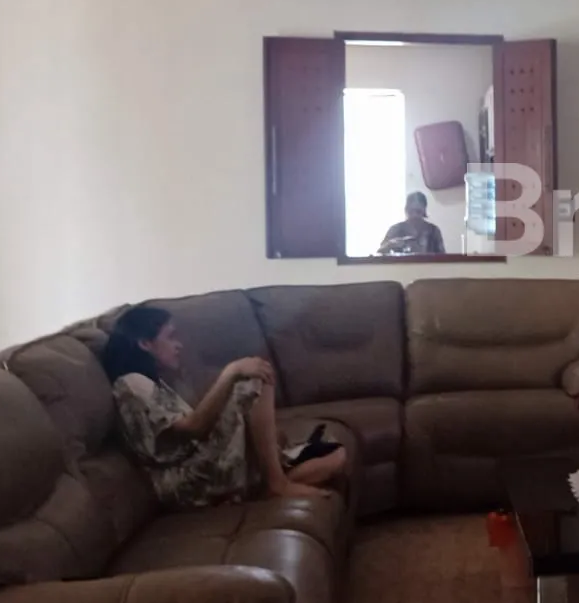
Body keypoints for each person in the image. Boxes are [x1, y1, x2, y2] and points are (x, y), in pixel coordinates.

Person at [100, 305, 345, 509]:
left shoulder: (154, 382)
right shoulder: (132, 383)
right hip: (182, 484)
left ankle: (268, 485)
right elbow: (195, 427)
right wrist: (231, 372)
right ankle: (276, 484)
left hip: (197, 467)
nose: (179, 345)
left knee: (336, 456)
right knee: (253, 377)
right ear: (145, 343)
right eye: (171, 336)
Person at [378, 191, 445, 255]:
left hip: (429, 263)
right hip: (402, 263)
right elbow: (380, 252)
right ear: (406, 209)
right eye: (411, 211)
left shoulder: (434, 231)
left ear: (424, 210)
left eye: (418, 211)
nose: (414, 215)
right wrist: (391, 244)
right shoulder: (395, 229)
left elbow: (443, 257)